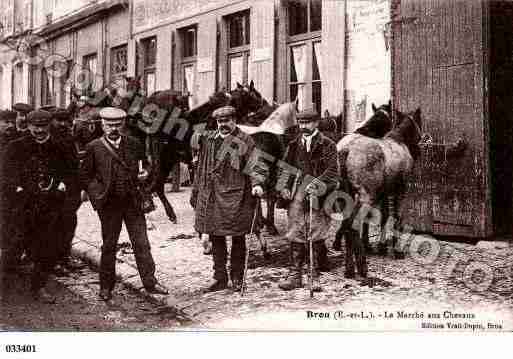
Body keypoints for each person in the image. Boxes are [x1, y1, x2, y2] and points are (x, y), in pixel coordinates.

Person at [80, 107, 168, 301]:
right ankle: (105, 287)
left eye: (117, 125)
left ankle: (150, 283)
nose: (113, 129)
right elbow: (85, 176)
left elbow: (145, 165)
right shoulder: (94, 147)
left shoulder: (134, 144)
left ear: (123, 124)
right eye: (109, 125)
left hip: (132, 202)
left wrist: (145, 173)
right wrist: (97, 194)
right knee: (109, 245)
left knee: (141, 243)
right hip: (109, 205)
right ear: (102, 125)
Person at [190, 105, 266, 292]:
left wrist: (257, 184)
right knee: (215, 236)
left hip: (236, 195)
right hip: (212, 195)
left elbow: (256, 164)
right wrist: (197, 190)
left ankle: (237, 277)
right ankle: (220, 278)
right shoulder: (210, 139)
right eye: (219, 121)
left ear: (234, 121)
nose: (223, 125)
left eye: (226, 121)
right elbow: (199, 158)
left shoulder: (245, 141)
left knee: (238, 237)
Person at [2, 110, 73, 303]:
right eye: (35, 127)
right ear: (29, 126)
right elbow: (6, 174)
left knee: (47, 247)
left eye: (43, 126)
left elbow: (73, 172)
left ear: (49, 125)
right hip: (22, 204)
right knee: (13, 245)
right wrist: (17, 189)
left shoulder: (62, 147)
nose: (39, 131)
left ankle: (39, 286)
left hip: (50, 204)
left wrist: (63, 185)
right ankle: (4, 284)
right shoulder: (15, 147)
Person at [277, 108, 339, 292]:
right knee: (296, 231)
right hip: (298, 193)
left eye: (307, 123)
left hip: (319, 194)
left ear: (316, 123)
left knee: (315, 231)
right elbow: (286, 168)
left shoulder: (327, 144)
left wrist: (318, 185)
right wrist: (285, 187)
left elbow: (332, 171)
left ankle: (314, 275)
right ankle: (295, 274)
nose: (303, 126)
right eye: (301, 123)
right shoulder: (294, 144)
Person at [50, 108, 82, 274]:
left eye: (66, 121)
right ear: (52, 121)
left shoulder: (70, 139)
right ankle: (52, 261)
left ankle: (65, 256)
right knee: (54, 225)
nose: (63, 124)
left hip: (71, 189)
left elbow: (75, 164)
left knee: (69, 223)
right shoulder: (48, 141)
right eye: (59, 120)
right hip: (54, 190)